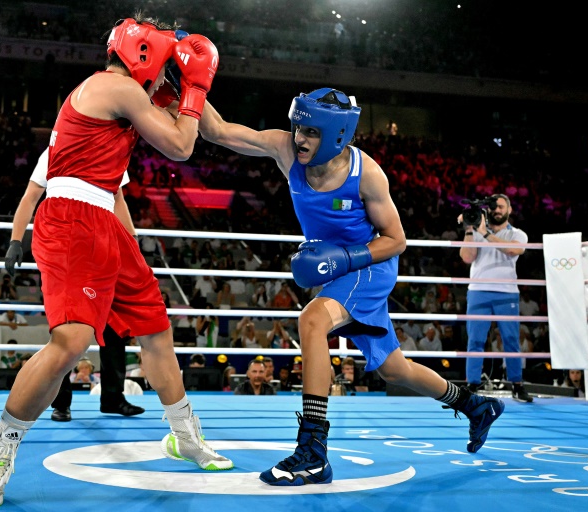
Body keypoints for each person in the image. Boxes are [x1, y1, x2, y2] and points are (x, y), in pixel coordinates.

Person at [0, 16, 230, 507]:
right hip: (71, 220)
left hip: (105, 219)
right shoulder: (116, 87)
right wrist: (192, 84)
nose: (164, 77)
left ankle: (183, 435)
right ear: (146, 58)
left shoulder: (136, 95)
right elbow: (181, 144)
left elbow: (212, 131)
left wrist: (271, 143)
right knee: (71, 342)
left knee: (154, 328)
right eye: (163, 65)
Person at [199, 87, 505, 486]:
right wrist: (187, 81)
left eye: (310, 132)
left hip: (369, 265)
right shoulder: (286, 150)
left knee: (311, 322)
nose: (300, 139)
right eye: (297, 128)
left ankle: (312, 451)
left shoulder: (367, 173)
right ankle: (474, 404)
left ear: (337, 134)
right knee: (394, 369)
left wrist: (343, 259)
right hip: (338, 271)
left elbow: (396, 240)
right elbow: (217, 130)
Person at [2, 135, 149, 423]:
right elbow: (30, 196)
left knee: (114, 327)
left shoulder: (114, 149)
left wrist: (132, 243)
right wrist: (15, 240)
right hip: (69, 247)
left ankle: (113, 398)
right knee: (69, 330)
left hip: (105, 246)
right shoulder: (55, 151)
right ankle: (61, 403)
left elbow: (118, 199)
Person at [458, 193, 533, 403]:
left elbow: (512, 249)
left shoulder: (518, 234)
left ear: (509, 210)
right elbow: (466, 257)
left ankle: (517, 384)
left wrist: (485, 232)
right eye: (493, 207)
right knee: (475, 340)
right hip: (478, 290)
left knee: (511, 340)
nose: (497, 210)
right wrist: (470, 230)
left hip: (507, 292)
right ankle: (472, 384)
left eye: (501, 207)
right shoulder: (477, 232)